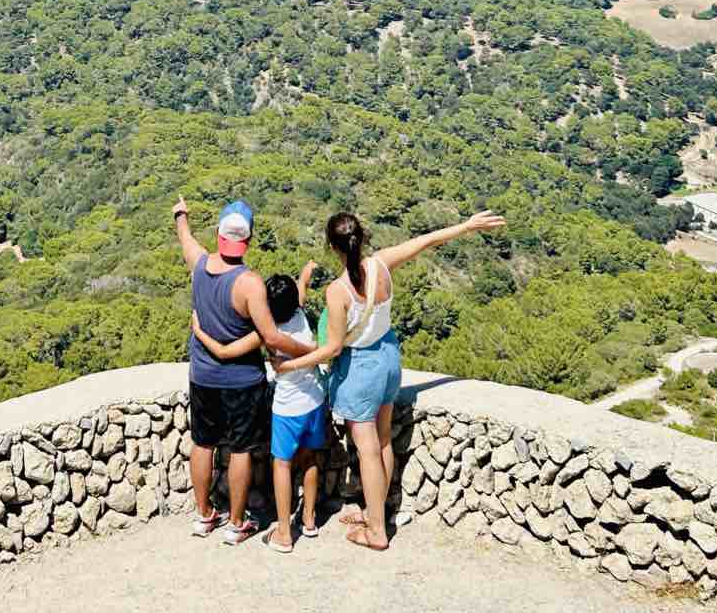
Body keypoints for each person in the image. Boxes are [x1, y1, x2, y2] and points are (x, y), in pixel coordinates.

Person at [273, 208, 506, 551]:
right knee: (382, 442)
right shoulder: (381, 265)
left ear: (332, 247)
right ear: (362, 237)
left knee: (367, 450)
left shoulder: (338, 292)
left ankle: (377, 532)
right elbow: (427, 240)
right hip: (388, 360)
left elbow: (333, 348)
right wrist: (467, 226)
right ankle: (376, 514)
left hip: (361, 371)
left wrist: (291, 366)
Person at [173, 194, 312, 545]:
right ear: (247, 240)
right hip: (240, 382)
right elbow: (271, 336)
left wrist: (181, 215)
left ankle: (204, 515)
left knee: (202, 443)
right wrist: (314, 351)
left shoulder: (199, 264)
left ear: (219, 234)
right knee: (239, 450)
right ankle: (237, 522)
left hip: (202, 376)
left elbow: (186, 240)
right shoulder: (249, 283)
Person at [193, 260, 325, 553]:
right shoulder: (300, 314)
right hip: (315, 400)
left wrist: (199, 332)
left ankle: (283, 532)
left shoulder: (266, 331)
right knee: (310, 459)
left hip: (288, 408)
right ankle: (310, 520)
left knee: (282, 464)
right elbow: (300, 293)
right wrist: (304, 274)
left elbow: (225, 352)